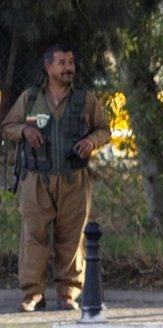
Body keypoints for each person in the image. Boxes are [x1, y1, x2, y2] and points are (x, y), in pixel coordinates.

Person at [1, 44, 110, 312]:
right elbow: (8, 126)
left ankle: (67, 293)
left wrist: (91, 142)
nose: (68, 68)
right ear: (48, 67)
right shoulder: (30, 97)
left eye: (71, 62)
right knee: (33, 236)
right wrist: (25, 131)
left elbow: (104, 130)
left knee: (71, 237)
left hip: (74, 178)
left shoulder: (85, 99)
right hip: (36, 178)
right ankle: (33, 293)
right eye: (62, 63)